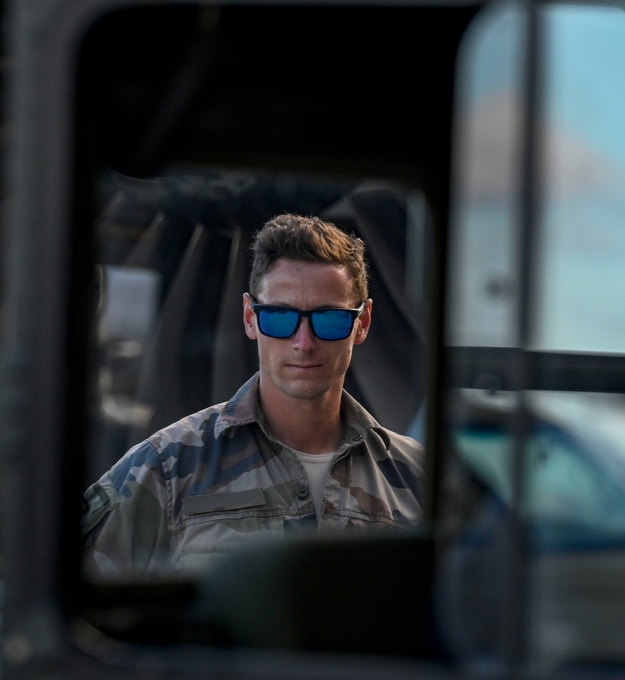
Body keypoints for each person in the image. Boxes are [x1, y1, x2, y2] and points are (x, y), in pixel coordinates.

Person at [82, 213, 424, 578]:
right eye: (279, 316)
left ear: (362, 323)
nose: (303, 343)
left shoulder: (417, 480)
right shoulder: (164, 470)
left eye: (329, 319)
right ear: (249, 317)